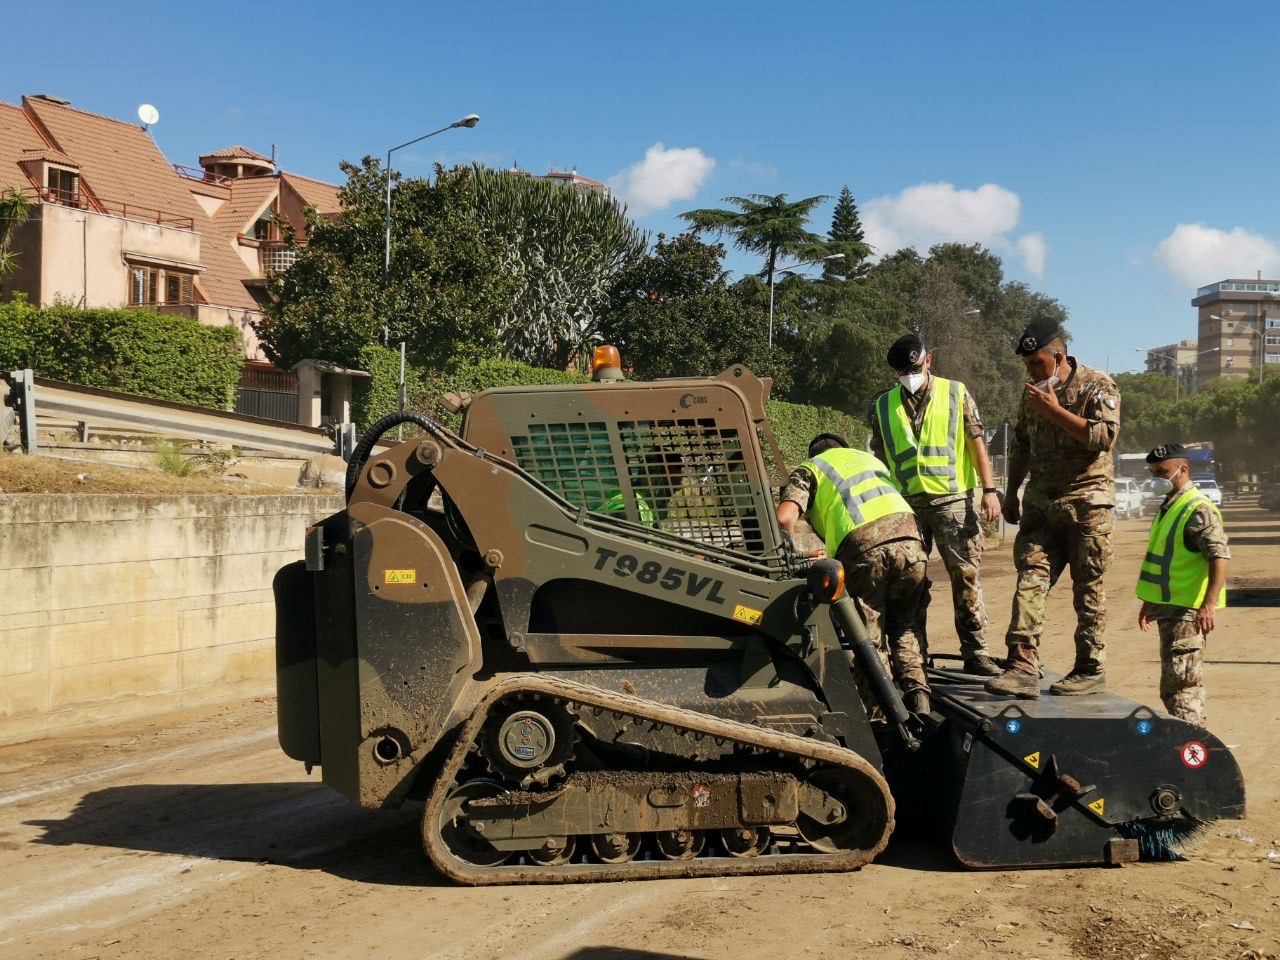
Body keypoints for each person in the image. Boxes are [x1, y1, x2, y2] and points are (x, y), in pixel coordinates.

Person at [986, 318, 1121, 699]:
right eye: (1027, 365)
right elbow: (1023, 447)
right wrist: (1011, 493)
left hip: (1086, 502)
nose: (1031, 371)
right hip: (1042, 503)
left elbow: (1104, 436)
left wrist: (1055, 410)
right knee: (1030, 575)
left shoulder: (1098, 385)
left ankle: (1090, 669)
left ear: (1059, 356)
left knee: (1088, 587)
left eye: (1038, 364)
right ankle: (1022, 665)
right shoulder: (1029, 395)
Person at [868, 333, 1003, 677]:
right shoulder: (882, 406)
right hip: (907, 507)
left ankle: (977, 652)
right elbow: (881, 459)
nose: (909, 375)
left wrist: (989, 490)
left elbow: (977, 444)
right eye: (902, 371)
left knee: (966, 575)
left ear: (928, 360)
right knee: (910, 582)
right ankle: (916, 657)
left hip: (953, 502)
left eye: (914, 367)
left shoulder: (956, 393)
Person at [775, 433, 932, 714]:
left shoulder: (811, 468)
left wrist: (783, 556)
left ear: (813, 453)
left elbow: (785, 518)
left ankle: (883, 718)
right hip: (912, 542)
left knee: (868, 637)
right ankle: (918, 694)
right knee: (905, 625)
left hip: (864, 550)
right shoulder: (870, 462)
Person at [1136, 443, 1229, 724]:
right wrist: (1150, 601)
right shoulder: (1170, 506)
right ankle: (1192, 747)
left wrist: (1208, 605)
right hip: (1170, 609)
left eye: (1162, 472)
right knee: (1174, 687)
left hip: (1187, 612)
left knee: (1182, 689)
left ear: (1183, 469)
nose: (1156, 478)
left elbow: (1219, 556)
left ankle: (1194, 752)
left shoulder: (1197, 509)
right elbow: (1166, 560)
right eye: (1152, 472)